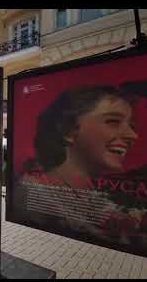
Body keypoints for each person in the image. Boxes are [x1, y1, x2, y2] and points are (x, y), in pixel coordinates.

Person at [14, 85, 139, 241]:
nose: (133, 135)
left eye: (131, 126)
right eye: (113, 121)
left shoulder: (86, 187)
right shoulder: (33, 192)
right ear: (69, 131)